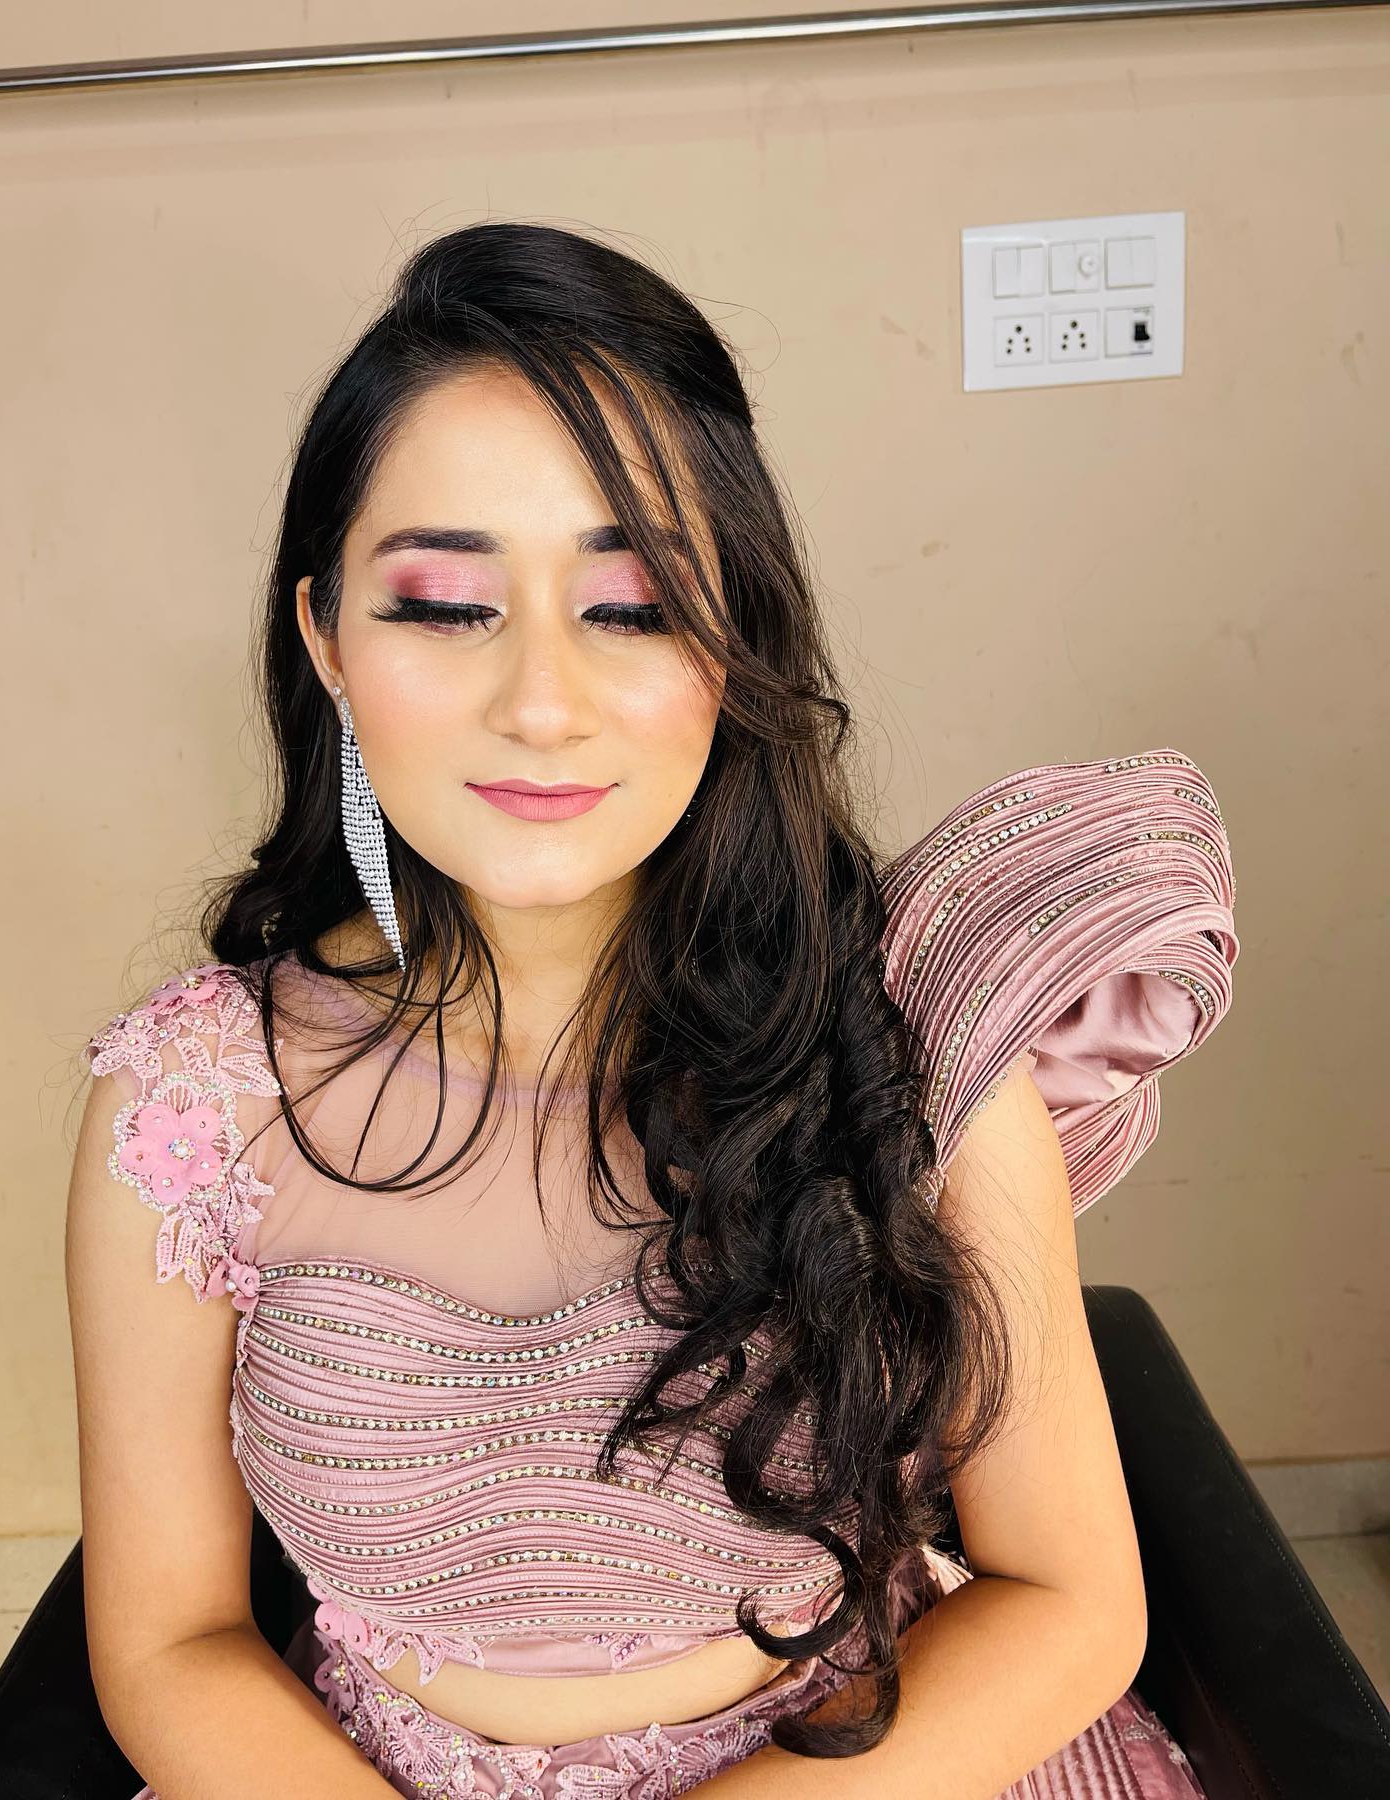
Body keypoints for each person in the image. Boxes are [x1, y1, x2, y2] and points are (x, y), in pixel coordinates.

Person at [65, 221, 1238, 1800]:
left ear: (734, 638)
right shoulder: (191, 1099)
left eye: (629, 607)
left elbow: (1070, 1599)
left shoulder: (900, 1041)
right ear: (326, 638)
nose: (542, 702)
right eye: (444, 605)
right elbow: (169, 1639)